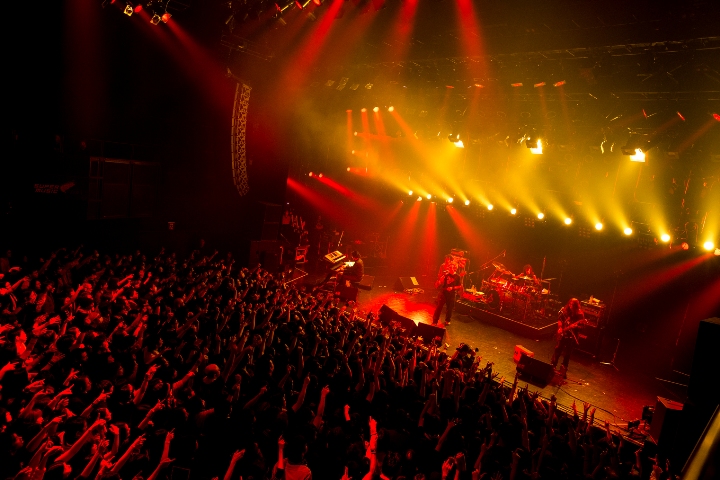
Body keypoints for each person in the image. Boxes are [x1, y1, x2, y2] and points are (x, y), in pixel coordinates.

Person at [551, 298, 585, 377]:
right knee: (558, 349)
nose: (570, 306)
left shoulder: (580, 314)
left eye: (573, 305)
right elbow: (560, 319)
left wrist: (575, 326)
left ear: (576, 306)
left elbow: (582, 327)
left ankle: (563, 370)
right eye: (570, 304)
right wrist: (560, 327)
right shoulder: (565, 311)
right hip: (563, 334)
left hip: (572, 336)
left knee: (567, 354)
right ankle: (552, 366)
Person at [432, 256, 463, 326]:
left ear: (454, 268)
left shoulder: (457, 277)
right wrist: (439, 282)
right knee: (439, 307)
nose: (449, 268)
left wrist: (452, 288)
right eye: (449, 267)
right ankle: (435, 321)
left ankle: (447, 320)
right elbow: (440, 282)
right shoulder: (446, 275)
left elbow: (459, 286)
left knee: (449, 308)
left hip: (452, 294)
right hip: (444, 293)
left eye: (450, 267)